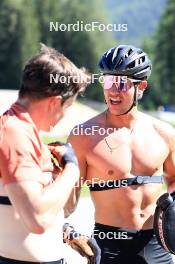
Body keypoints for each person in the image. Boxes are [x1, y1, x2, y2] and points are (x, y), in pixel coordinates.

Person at [62, 45, 175, 263]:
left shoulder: (165, 134)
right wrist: (64, 230)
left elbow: (174, 180)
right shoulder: (83, 136)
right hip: (109, 245)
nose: (113, 90)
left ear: (141, 87)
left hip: (158, 247)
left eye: (121, 83)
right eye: (108, 81)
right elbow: (66, 200)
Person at [0, 44, 95, 264]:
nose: (64, 115)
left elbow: (19, 207)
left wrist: (67, 232)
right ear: (54, 102)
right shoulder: (15, 134)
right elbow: (36, 219)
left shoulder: (23, 130)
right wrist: (71, 169)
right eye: (68, 106)